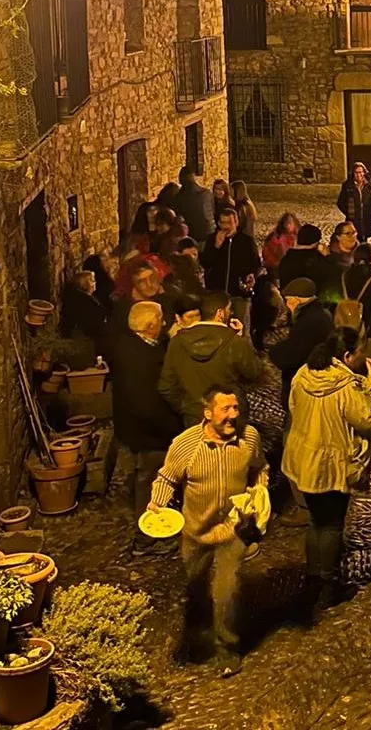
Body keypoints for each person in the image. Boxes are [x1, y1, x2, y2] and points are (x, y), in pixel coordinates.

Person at [149, 387, 265, 678]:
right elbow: (167, 477)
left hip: (233, 529)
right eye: (225, 409)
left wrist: (259, 489)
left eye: (236, 408)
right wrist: (156, 504)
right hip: (196, 531)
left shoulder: (248, 438)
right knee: (195, 587)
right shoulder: (186, 444)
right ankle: (195, 638)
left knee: (227, 590)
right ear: (208, 413)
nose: (233, 416)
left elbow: (260, 467)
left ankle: (227, 648)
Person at [284, 328, 371, 610]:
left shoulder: (304, 373)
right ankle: (329, 587)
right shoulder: (346, 386)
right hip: (331, 465)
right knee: (331, 524)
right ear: (347, 355)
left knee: (316, 519)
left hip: (303, 460)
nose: (364, 357)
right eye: (361, 351)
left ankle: (313, 576)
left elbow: (292, 406)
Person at [110, 301, 182, 554]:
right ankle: (147, 538)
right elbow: (146, 404)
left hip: (137, 429)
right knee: (152, 484)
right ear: (151, 325)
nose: (164, 323)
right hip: (149, 432)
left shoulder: (129, 345)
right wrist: (172, 428)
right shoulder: (138, 360)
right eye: (161, 319)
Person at [159, 291, 263, 427]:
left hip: (194, 419)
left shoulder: (177, 342)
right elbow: (254, 372)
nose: (231, 313)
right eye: (229, 309)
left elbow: (167, 386)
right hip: (230, 417)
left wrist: (189, 408)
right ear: (220, 313)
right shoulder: (234, 341)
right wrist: (244, 338)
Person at [268, 278, 334, 411]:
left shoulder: (308, 321)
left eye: (287, 300)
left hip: (306, 384)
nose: (287, 305)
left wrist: (273, 352)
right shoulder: (319, 314)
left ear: (296, 300)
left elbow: (295, 353)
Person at [201, 209, 260, 326]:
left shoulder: (246, 241)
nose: (226, 226)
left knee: (242, 327)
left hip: (239, 294)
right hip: (218, 293)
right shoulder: (212, 240)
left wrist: (252, 275)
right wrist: (216, 247)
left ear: (236, 223)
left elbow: (256, 264)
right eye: (223, 223)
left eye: (229, 223)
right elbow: (205, 263)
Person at [59, 270, 108, 345]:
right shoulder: (82, 301)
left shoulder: (89, 298)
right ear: (84, 283)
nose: (95, 283)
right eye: (92, 281)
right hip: (86, 340)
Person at [278, 224, 330, 291]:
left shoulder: (286, 259)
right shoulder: (317, 260)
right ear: (317, 242)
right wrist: (328, 257)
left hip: (289, 300)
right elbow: (333, 275)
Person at [337, 162, 371, 242]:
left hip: (366, 217)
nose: (358, 175)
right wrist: (349, 212)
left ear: (364, 173)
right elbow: (340, 202)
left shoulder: (368, 185)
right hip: (354, 219)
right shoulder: (348, 185)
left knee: (364, 239)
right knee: (353, 239)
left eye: (360, 172)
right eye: (356, 172)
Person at [175, 165, 215, 243]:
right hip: (208, 232)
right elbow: (212, 212)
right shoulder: (206, 193)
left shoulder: (179, 197)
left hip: (190, 235)